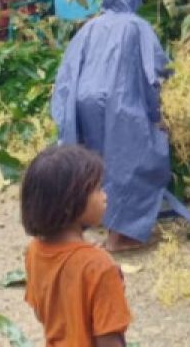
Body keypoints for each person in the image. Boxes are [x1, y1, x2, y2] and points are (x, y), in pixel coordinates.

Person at [52, 0, 190, 252]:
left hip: (84, 103)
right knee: (133, 163)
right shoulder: (136, 26)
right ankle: (121, 237)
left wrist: (65, 112)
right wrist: (161, 110)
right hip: (121, 103)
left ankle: (83, 230)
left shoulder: (89, 27)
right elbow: (155, 71)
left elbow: (67, 73)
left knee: (93, 165)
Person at [21, 144, 133, 346]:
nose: (105, 196)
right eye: (97, 189)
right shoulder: (98, 266)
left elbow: (40, 313)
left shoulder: (34, 251)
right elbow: (109, 339)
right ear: (69, 204)